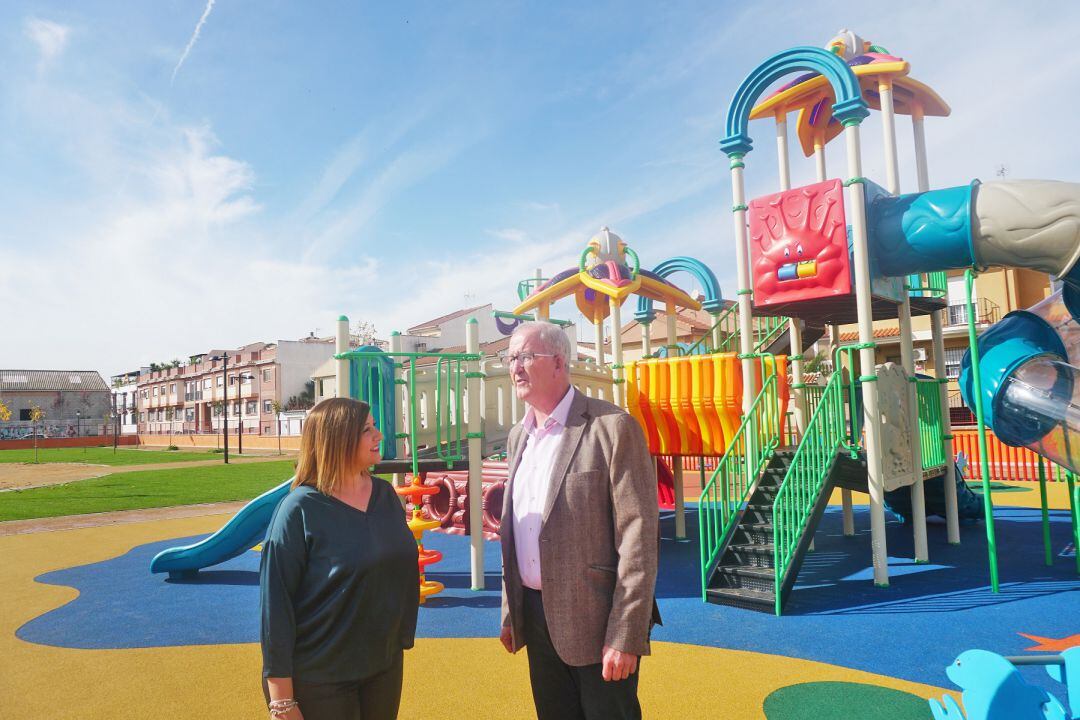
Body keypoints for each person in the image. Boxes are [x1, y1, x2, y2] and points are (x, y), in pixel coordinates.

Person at [499, 322, 660, 720]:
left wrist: (626, 634)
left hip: (598, 618)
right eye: (510, 358)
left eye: (525, 357)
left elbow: (638, 538)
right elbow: (514, 529)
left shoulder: (612, 427)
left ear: (558, 362)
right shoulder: (519, 436)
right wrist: (511, 610)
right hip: (536, 618)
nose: (515, 367)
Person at [260, 398, 419, 720]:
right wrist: (281, 700)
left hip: (382, 665)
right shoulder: (299, 510)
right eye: (367, 429)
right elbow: (275, 608)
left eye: (375, 426)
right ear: (338, 439)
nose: (379, 435)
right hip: (321, 675)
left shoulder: (385, 496)